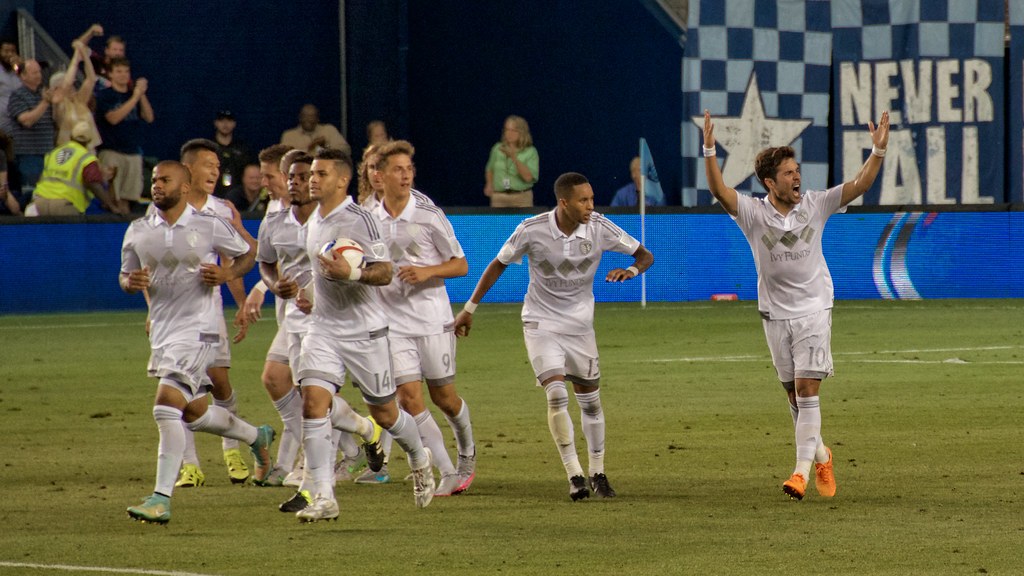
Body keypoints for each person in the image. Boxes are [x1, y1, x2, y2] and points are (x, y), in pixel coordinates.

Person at [701, 109, 890, 500]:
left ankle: (800, 474)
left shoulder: (816, 205)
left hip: (815, 309)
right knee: (793, 396)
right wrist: (708, 149)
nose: (796, 177)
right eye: (787, 173)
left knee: (807, 390)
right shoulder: (753, 213)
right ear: (770, 182)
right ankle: (821, 454)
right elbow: (720, 191)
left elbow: (860, 184)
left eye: (797, 169)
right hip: (774, 314)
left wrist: (878, 150)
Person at [455, 172, 653, 501]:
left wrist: (629, 271)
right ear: (564, 202)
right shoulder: (531, 229)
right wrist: (469, 308)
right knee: (557, 395)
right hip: (541, 323)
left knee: (590, 402)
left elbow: (644, 255)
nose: (591, 206)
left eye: (592, 199)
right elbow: (498, 264)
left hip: (580, 328)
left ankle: (598, 472)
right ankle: (574, 474)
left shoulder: (601, 227)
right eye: (583, 200)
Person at [120, 160, 275, 524]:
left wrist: (227, 273)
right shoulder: (139, 230)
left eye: (165, 180)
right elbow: (125, 275)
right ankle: (257, 436)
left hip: (201, 330)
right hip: (163, 332)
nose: (157, 185)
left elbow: (248, 252)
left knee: (165, 407)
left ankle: (161, 498)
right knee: (194, 412)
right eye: (154, 180)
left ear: (185, 187)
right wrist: (132, 283)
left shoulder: (208, 224)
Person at [293, 147, 435, 521]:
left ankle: (419, 457)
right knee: (312, 403)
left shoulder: (359, 220)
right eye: (311, 173)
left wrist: (351, 274)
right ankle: (323, 497)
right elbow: (319, 271)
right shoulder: (313, 221)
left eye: (321, 174)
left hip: (364, 331)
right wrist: (305, 292)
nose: (312, 179)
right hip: (322, 328)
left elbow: (385, 271)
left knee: (386, 414)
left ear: (342, 180)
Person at [372, 140, 477, 496]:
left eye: (409, 169)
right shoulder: (369, 219)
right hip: (393, 324)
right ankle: (446, 469)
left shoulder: (428, 214)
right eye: (397, 169)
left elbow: (461, 265)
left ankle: (467, 451)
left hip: (432, 320)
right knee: (406, 397)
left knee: (444, 398)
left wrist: (426, 271)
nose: (405, 175)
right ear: (380, 176)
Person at [171, 138, 259, 488]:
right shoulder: (165, 206)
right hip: (173, 318)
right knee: (178, 388)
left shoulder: (222, 209)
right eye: (209, 165)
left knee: (220, 385)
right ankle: (190, 465)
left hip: (209, 313)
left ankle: (231, 447)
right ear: (188, 168)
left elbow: (241, 255)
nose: (215, 172)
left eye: (218, 167)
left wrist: (238, 297)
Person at [95, 57, 153, 214]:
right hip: (112, 150)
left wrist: (140, 94)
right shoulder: (105, 95)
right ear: (111, 74)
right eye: (119, 71)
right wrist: (134, 98)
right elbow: (113, 119)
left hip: (133, 151)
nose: (123, 75)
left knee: (128, 199)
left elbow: (149, 117)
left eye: (126, 71)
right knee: (112, 198)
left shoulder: (132, 95)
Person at [32, 120, 126, 216]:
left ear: (71, 136)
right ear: (89, 141)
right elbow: (93, 183)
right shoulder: (86, 158)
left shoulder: (54, 153)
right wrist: (112, 207)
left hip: (40, 202)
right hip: (65, 205)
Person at [6, 59, 54, 208]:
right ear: (23, 76)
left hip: (49, 154)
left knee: (49, 195)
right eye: (34, 72)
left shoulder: (44, 93)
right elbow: (26, 120)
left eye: (39, 72)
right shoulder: (17, 96)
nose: (39, 75)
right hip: (29, 156)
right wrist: (45, 103)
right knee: (30, 196)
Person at [50, 40, 101, 153]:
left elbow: (91, 79)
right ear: (56, 88)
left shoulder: (79, 100)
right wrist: (76, 58)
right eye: (69, 85)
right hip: (68, 151)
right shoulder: (58, 103)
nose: (72, 86)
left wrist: (84, 55)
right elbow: (67, 83)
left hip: (88, 149)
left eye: (73, 84)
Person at [484, 115, 538, 208]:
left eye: (513, 131)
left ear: (522, 132)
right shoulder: (497, 148)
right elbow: (490, 169)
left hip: (521, 198)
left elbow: (528, 178)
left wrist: (514, 158)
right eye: (507, 130)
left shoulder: (530, 151)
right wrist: (489, 184)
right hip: (499, 198)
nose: (509, 134)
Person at [212, 110, 255, 198]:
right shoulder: (209, 148)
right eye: (222, 121)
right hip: (214, 193)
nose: (225, 124)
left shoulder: (243, 148)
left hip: (238, 197)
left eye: (229, 121)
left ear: (234, 124)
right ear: (216, 123)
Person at [280, 104, 351, 157]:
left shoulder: (329, 130)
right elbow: (284, 158)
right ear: (300, 118)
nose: (309, 119)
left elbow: (346, 150)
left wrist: (326, 146)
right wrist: (309, 148)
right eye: (305, 116)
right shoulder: (289, 135)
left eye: (312, 116)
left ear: (318, 118)